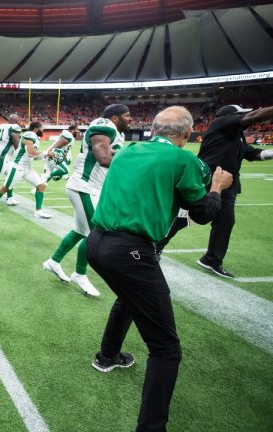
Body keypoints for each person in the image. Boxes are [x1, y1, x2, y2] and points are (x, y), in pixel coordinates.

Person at [87, 106, 232, 432]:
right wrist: (217, 188)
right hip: (130, 251)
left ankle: (107, 355)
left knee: (129, 298)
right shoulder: (183, 160)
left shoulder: (128, 151)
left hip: (96, 243)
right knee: (166, 348)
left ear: (153, 129)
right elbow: (204, 213)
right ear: (186, 134)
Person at [155, 104, 273, 277]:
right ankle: (156, 245)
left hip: (227, 184)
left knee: (225, 221)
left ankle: (211, 259)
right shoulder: (221, 123)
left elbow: (253, 154)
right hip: (207, 178)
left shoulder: (237, 137)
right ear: (229, 116)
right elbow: (253, 117)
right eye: (239, 115)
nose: (243, 117)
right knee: (184, 217)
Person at [42, 104, 131, 297]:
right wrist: (131, 156)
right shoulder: (103, 125)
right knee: (96, 234)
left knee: (79, 231)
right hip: (85, 187)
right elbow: (104, 159)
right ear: (114, 118)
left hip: (91, 188)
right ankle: (79, 273)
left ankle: (54, 261)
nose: (130, 119)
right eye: (127, 115)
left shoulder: (116, 132)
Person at [0, 121, 52, 218]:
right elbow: (31, 153)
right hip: (18, 167)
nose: (43, 130)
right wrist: (46, 153)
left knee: (41, 185)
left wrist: (45, 156)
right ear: (36, 129)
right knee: (6, 187)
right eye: (41, 128)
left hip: (27, 167)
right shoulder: (29, 135)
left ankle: (38, 211)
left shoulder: (35, 137)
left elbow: (33, 155)